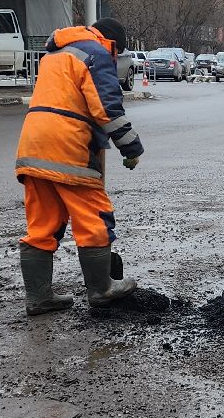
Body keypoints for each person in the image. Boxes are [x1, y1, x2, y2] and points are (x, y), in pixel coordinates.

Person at [15, 18, 143, 316]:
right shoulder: (96, 53)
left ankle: (39, 296)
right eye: (118, 53)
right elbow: (107, 107)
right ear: (112, 45)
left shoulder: (57, 54)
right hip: (69, 144)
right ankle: (101, 288)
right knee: (93, 216)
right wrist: (131, 147)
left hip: (33, 143)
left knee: (43, 223)